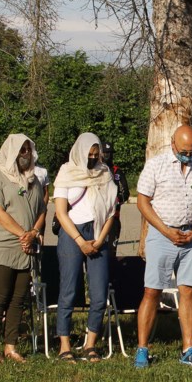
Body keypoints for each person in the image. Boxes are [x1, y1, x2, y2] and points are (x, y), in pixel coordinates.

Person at [134, 125, 192, 369]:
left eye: (191, 151)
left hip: (191, 237)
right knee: (152, 291)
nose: (188, 155)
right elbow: (142, 202)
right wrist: (166, 230)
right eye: (183, 151)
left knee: (189, 291)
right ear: (173, 143)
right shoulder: (156, 165)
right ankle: (142, 350)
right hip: (162, 235)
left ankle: (188, 349)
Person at [52, 133, 119, 363]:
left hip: (99, 232)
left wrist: (100, 240)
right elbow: (61, 212)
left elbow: (111, 210)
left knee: (99, 293)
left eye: (95, 153)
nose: (92, 158)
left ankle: (90, 345)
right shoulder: (66, 171)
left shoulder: (105, 173)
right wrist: (80, 241)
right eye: (89, 154)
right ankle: (65, 345)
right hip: (72, 233)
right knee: (69, 290)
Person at [0, 134, 46, 363]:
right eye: (21, 150)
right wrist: (22, 234)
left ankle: (11, 346)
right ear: (12, 152)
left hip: (25, 247)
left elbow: (42, 210)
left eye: (28, 150)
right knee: (0, 297)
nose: (25, 155)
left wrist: (33, 233)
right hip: (2, 244)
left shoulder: (34, 179)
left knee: (18, 298)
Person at [100, 141, 130, 248]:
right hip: (96, 218)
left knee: (111, 251)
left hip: (113, 217)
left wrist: (115, 201)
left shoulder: (117, 171)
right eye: (104, 152)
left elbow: (125, 193)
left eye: (109, 153)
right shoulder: (94, 171)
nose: (107, 155)